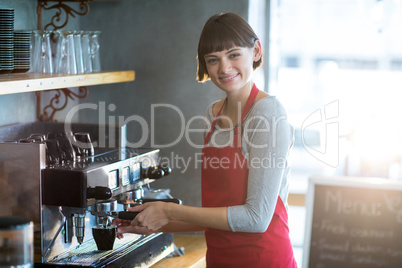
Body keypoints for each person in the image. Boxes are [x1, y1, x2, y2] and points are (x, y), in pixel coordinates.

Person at [112, 12, 297, 267]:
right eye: (213, 59)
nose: (224, 68)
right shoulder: (212, 114)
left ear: (255, 50)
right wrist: (151, 224)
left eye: (233, 54)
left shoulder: (267, 112)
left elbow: (256, 218)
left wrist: (168, 210)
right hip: (220, 259)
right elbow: (221, 215)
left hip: (263, 258)